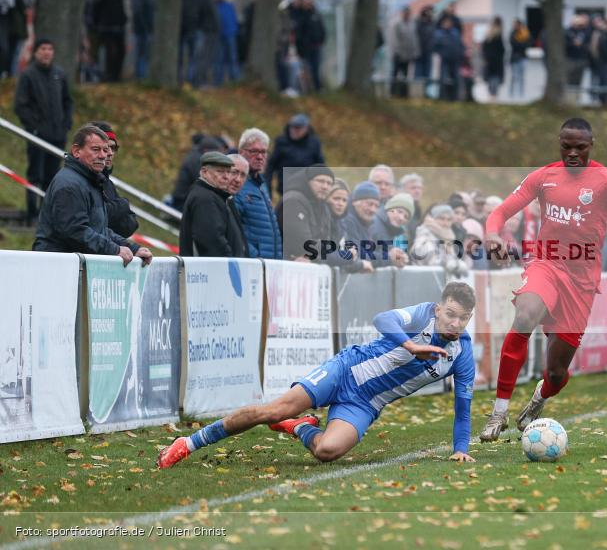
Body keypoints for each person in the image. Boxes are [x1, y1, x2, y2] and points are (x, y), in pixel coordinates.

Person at [157, 282, 478, 468]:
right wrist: (411, 346)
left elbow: (463, 408)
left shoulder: (462, 354)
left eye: (463, 318)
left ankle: (298, 426)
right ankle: (188, 442)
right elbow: (383, 319)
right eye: (450, 314)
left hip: (365, 404)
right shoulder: (422, 314)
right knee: (273, 411)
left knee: (327, 452)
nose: (455, 323)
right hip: (344, 371)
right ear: (438, 309)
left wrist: (460, 449)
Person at [479, 118, 607, 441]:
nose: (573, 153)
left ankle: (540, 397)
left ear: (592, 145)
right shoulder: (543, 177)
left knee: (556, 373)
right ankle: (498, 412)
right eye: (566, 147)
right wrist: (492, 234)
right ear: (559, 144)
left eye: (580, 147)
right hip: (547, 264)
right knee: (525, 316)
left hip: (582, 281)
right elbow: (501, 212)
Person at [33, 124, 152, 266]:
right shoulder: (69, 185)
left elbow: (99, 229)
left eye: (105, 150)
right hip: (56, 267)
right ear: (76, 151)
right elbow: (75, 231)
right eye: (96, 149)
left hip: (74, 266)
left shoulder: (91, 181)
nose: (103, 155)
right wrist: (114, 250)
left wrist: (132, 249)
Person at [13, 38, 73, 223]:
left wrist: (66, 124)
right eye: (43, 49)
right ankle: (32, 213)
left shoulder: (59, 74)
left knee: (52, 177)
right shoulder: (28, 75)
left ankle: (47, 215)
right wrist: (34, 127)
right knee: (35, 175)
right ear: (36, 52)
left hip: (57, 136)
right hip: (37, 136)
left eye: (50, 49)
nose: (47, 52)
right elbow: (20, 105)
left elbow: (67, 101)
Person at [280, 165, 370, 271]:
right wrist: (343, 255)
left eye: (329, 183)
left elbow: (323, 246)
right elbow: (303, 245)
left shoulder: (320, 207)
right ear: (308, 180)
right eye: (320, 181)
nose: (325, 186)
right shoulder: (294, 201)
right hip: (287, 268)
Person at [179, 151, 245, 257]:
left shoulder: (216, 196)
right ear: (204, 172)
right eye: (220, 171)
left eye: (228, 172)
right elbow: (213, 243)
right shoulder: (205, 199)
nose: (226, 177)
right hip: (213, 267)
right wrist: (231, 263)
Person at [232, 128, 283, 260]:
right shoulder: (235, 183)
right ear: (241, 152)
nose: (260, 157)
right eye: (254, 151)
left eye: (263, 152)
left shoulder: (262, 184)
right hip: (253, 265)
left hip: (271, 264)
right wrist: (254, 257)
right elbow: (232, 229)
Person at [89, 121, 138, 239]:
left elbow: (131, 224)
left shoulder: (108, 183)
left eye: (113, 147)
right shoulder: (82, 179)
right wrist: (123, 204)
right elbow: (96, 218)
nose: (110, 153)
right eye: (106, 147)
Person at [266, 114, 325, 197]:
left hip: (307, 189)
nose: (294, 131)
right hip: (286, 188)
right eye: (292, 127)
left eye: (298, 128)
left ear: (306, 129)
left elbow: (320, 166)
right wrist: (268, 186)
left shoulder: (314, 143)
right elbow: (271, 165)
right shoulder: (281, 142)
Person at [411, 204, 467, 276]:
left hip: (441, 280)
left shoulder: (448, 237)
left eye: (449, 219)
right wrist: (448, 262)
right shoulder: (424, 234)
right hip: (423, 278)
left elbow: (452, 260)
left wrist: (458, 264)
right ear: (433, 219)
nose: (445, 223)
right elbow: (427, 260)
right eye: (441, 218)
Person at [170, 134, 223, 211]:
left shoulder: (195, 156)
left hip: (184, 198)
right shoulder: (197, 160)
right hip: (183, 200)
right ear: (206, 150)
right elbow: (203, 182)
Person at [93, 0, 127, 82]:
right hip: (107, 26)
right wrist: (98, 23)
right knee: (109, 52)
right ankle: (109, 75)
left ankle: (117, 75)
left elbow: (123, 7)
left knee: (121, 52)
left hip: (119, 26)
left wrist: (124, 20)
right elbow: (97, 7)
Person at [213, 0, 240, 85]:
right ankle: (218, 82)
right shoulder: (213, 6)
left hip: (230, 34)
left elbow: (233, 19)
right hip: (218, 35)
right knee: (219, 59)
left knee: (233, 58)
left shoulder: (228, 5)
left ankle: (235, 81)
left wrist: (234, 30)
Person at [297, 0, 326, 92]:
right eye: (306, 3)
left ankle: (318, 87)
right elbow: (299, 33)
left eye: (309, 3)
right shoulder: (301, 16)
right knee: (306, 68)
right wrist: (301, 45)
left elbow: (322, 29)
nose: (308, 5)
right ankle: (306, 88)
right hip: (305, 48)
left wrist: (321, 40)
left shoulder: (317, 15)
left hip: (316, 46)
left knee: (316, 68)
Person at [433, 15, 464, 101]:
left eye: (449, 22)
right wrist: (441, 53)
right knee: (443, 78)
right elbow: (435, 46)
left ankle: (455, 97)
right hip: (444, 59)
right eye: (446, 22)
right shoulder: (439, 34)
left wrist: (461, 54)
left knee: (456, 79)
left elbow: (460, 44)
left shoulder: (455, 32)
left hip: (455, 59)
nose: (448, 24)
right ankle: (442, 96)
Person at [390, 6, 419, 94]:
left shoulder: (412, 24)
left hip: (407, 54)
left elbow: (414, 39)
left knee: (405, 74)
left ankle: (403, 93)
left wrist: (415, 52)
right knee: (395, 73)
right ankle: (393, 92)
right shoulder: (397, 24)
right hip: (398, 54)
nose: (407, 15)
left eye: (408, 13)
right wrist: (397, 52)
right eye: (405, 13)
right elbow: (394, 40)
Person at [131, 0, 155, 80]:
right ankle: (141, 76)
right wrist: (146, 28)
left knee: (143, 55)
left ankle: (141, 75)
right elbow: (138, 13)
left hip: (145, 30)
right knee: (142, 54)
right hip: (143, 31)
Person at [588, 16, 607, 106]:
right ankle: (597, 99)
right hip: (600, 62)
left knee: (605, 81)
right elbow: (594, 48)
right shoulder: (601, 34)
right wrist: (596, 60)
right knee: (599, 81)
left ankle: (603, 100)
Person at [481, 16, 505, 101]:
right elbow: (501, 49)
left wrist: (485, 57)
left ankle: (491, 95)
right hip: (496, 61)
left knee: (490, 77)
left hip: (489, 60)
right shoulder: (498, 35)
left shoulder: (488, 34)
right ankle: (493, 95)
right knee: (495, 78)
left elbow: (484, 47)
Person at [565, 14, 590, 87]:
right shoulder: (567, 32)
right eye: (576, 22)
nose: (578, 25)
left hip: (581, 59)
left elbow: (587, 43)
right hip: (570, 59)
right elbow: (565, 44)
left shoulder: (583, 31)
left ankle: (576, 94)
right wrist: (573, 43)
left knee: (578, 81)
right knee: (569, 79)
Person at [508, 18, 530, 99]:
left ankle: (521, 94)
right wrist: (522, 43)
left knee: (522, 77)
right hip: (515, 58)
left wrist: (521, 43)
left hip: (523, 57)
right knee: (514, 77)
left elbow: (528, 43)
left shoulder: (525, 33)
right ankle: (512, 94)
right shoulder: (513, 33)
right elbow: (514, 44)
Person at [414, 5, 435, 80]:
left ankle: (426, 86)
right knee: (418, 71)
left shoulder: (432, 23)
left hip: (428, 50)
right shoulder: (418, 22)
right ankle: (418, 86)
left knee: (428, 72)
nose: (431, 13)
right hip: (419, 50)